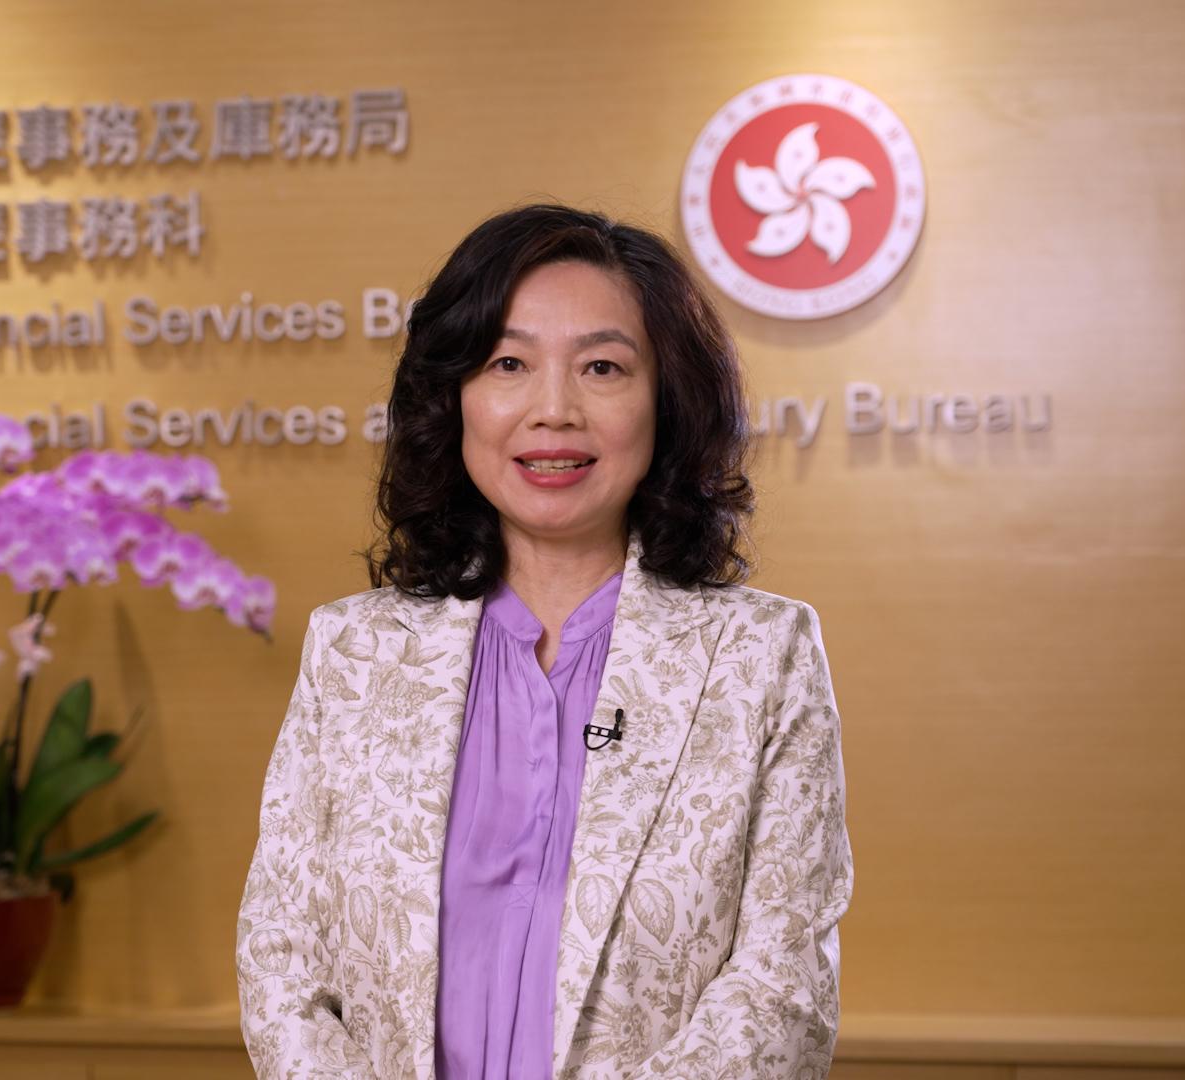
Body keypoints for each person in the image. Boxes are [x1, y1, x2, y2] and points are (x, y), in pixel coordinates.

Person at [236, 204, 853, 1079]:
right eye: (508, 364)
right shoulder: (353, 653)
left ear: (664, 401)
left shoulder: (762, 657)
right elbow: (281, 964)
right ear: (453, 398)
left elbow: (780, 993)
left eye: (602, 366)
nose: (552, 410)